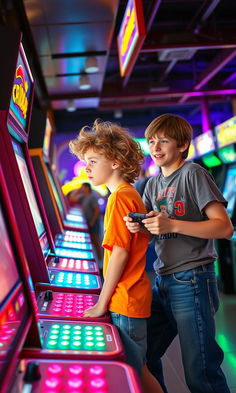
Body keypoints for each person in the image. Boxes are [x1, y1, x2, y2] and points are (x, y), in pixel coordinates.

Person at [124, 113, 233, 393]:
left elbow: (224, 227)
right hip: (163, 281)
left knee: (201, 372)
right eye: (151, 141)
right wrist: (138, 227)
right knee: (143, 355)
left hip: (193, 278)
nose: (155, 148)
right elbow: (151, 232)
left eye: (164, 141)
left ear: (183, 145)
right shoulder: (152, 183)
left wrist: (170, 223)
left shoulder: (193, 173)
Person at [69, 119, 164, 393]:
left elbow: (120, 254)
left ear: (115, 161)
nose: (86, 168)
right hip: (131, 294)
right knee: (138, 368)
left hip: (125, 297)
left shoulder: (119, 197)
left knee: (135, 372)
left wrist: (102, 302)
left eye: (92, 160)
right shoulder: (127, 193)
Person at [68, 183, 102, 262]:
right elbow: (71, 198)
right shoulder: (83, 197)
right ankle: (97, 260)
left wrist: (92, 222)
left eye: (83, 188)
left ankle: (101, 262)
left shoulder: (92, 197)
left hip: (94, 222)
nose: (82, 189)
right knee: (92, 242)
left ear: (87, 188)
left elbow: (97, 210)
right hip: (88, 222)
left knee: (96, 241)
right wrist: (78, 190)